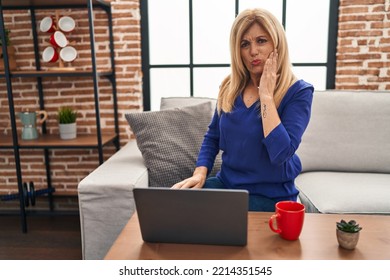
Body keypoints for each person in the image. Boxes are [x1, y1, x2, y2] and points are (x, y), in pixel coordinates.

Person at [172, 8, 314, 212]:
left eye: (261, 41)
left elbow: (281, 153)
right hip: (227, 187)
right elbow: (213, 137)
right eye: (244, 44)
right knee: (177, 205)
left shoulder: (299, 92)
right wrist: (200, 173)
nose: (253, 51)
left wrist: (266, 96)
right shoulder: (230, 87)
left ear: (277, 44)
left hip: (271, 197)